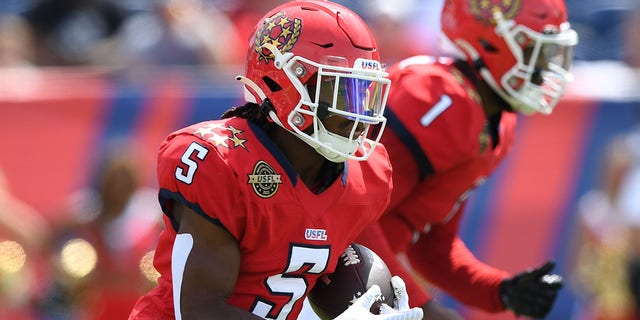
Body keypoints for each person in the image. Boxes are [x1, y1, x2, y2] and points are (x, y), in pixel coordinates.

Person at [128, 1, 424, 319]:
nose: (358, 114)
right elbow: (200, 310)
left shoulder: (366, 176)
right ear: (282, 82)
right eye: (342, 91)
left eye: (363, 94)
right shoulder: (222, 161)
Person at [354, 0, 579, 319]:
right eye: (534, 50)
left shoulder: (496, 120)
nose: (545, 67)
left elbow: (433, 246)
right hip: (316, 276)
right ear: (491, 40)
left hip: (356, 275)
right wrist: (422, 308)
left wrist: (499, 290)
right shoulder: (437, 98)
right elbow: (352, 216)